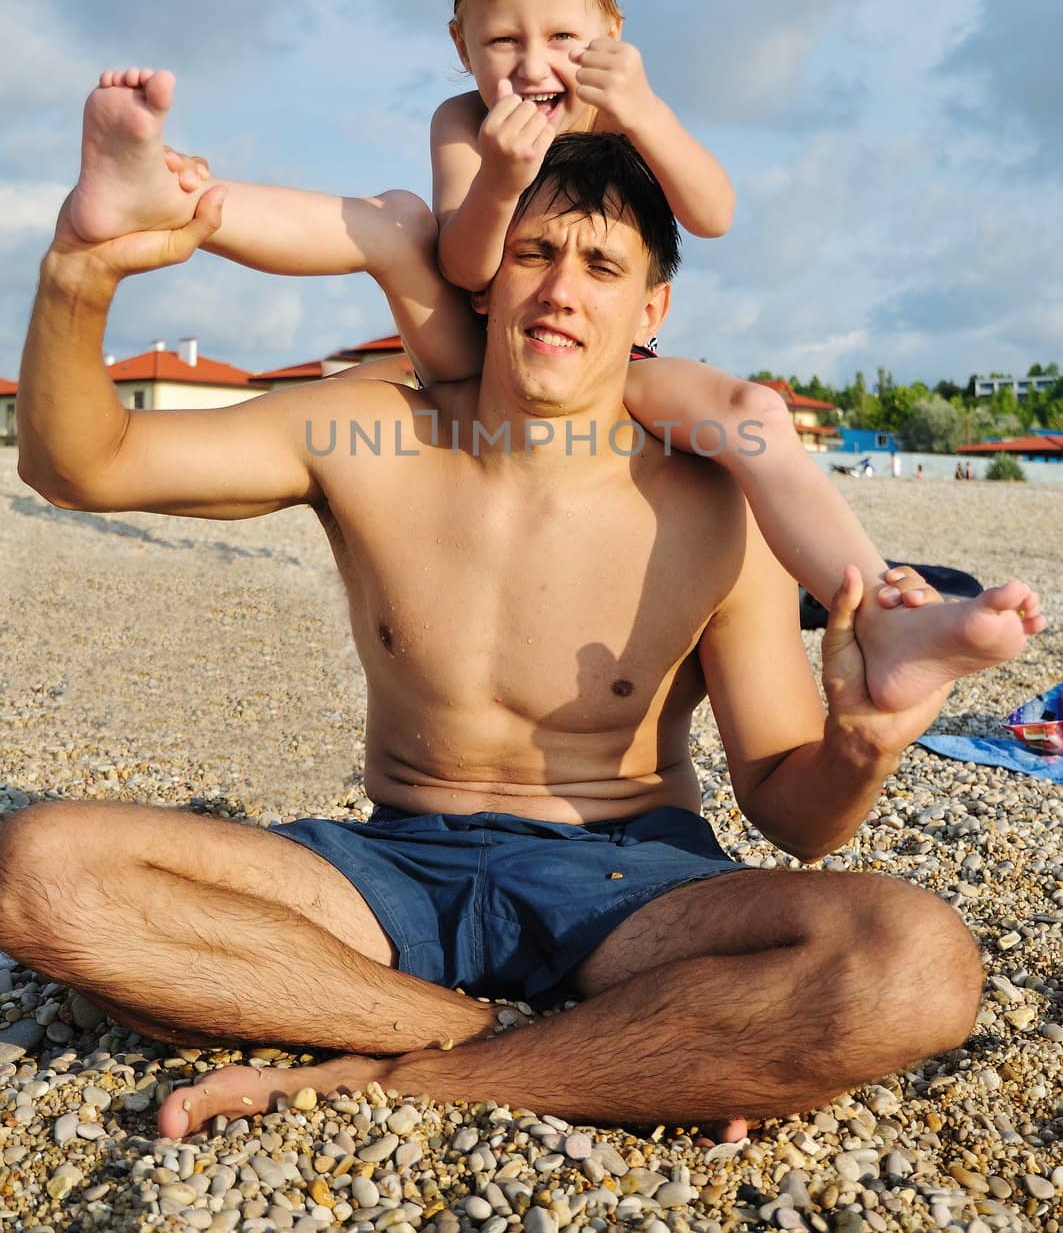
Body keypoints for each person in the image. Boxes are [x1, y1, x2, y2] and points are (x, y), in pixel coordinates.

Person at [4, 78, 1045, 1142]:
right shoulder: (370, 434)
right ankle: (546, 1044)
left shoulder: (718, 506)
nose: (560, 291)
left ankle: (392, 1074)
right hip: (387, 873)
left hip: (632, 887)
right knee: (45, 869)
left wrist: (862, 746)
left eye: (601, 266)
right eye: (537, 254)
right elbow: (82, 461)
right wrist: (81, 271)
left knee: (915, 963)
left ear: (651, 310)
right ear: (489, 271)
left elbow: (792, 815)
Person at [65, 0, 938, 711]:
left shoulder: (618, 116)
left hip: (602, 366)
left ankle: (873, 601)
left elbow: (712, 214)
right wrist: (502, 177)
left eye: (562, 36)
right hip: (473, 348)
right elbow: (466, 263)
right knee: (396, 220)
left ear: (610, 34)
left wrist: (647, 113)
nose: (532, 66)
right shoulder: (461, 123)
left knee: (751, 412)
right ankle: (165, 199)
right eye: (502, 43)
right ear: (460, 45)